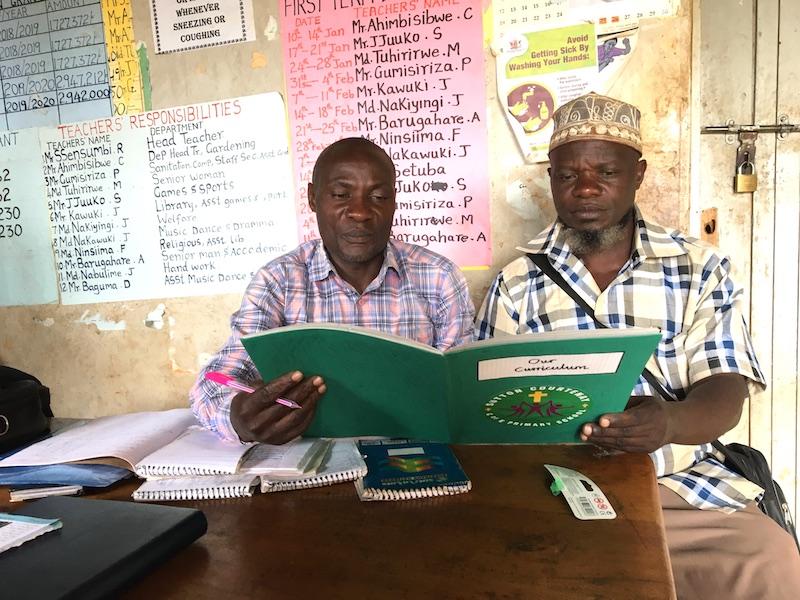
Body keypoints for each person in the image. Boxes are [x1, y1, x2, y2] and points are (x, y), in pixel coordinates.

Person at [475, 92, 800, 598]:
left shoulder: (698, 269)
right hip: (552, 490)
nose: (586, 189)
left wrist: (668, 422)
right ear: (551, 179)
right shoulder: (516, 283)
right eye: (568, 175)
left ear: (639, 174)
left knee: (770, 563)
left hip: (676, 492)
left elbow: (725, 391)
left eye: (606, 172)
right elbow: (485, 406)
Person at [190, 137, 475, 445]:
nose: (360, 212)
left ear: (394, 202)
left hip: (414, 456)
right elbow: (213, 383)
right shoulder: (278, 282)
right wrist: (237, 418)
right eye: (341, 194)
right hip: (308, 460)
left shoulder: (439, 277)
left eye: (378, 197)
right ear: (313, 198)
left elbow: (463, 391)